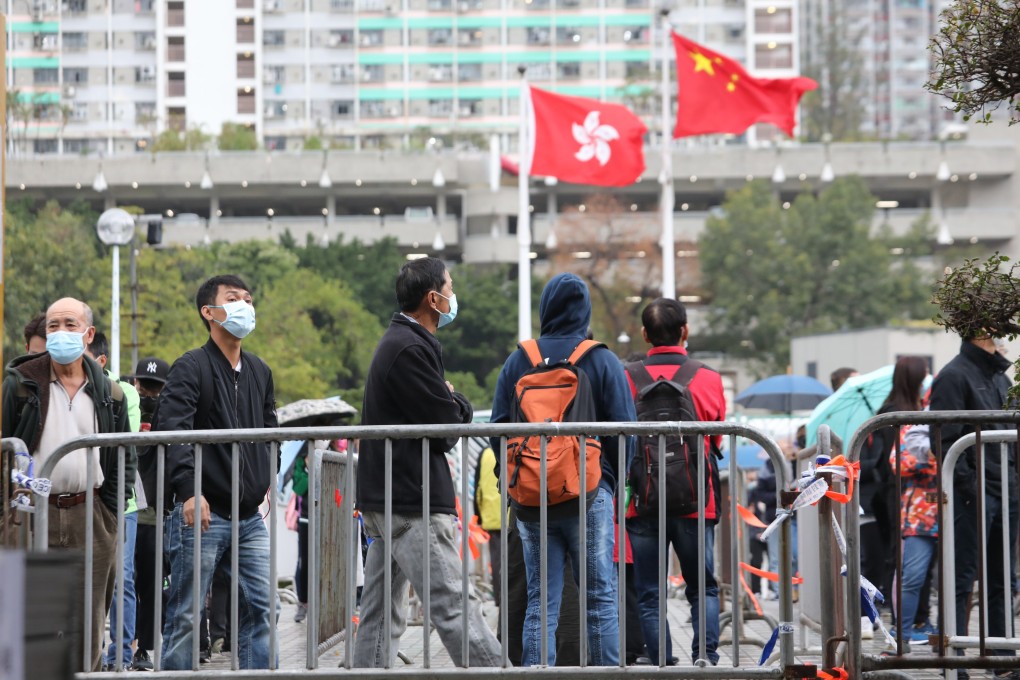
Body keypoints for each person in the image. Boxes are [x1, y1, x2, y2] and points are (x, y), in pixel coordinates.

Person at [353, 256, 501, 668]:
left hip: (389, 497)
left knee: (380, 615)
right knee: (453, 605)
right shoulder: (410, 348)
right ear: (433, 299)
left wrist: (447, 398)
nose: (454, 297)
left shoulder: (403, 342)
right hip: (410, 499)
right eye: (450, 289)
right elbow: (446, 429)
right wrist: (457, 401)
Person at [490, 272, 636, 667]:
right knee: (599, 596)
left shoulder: (519, 359)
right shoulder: (602, 359)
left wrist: (514, 480)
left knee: (540, 599)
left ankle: (538, 675)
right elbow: (627, 430)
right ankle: (607, 677)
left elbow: (498, 429)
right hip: (588, 493)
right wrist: (612, 481)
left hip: (532, 498)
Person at [2, 297, 135, 672]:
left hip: (89, 514)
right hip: (30, 514)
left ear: (88, 334)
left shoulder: (110, 393)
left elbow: (125, 456)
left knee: (88, 627)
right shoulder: (20, 384)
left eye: (69, 325)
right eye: (53, 325)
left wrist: (109, 513)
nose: (59, 332)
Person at [158, 275, 279, 670]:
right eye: (233, 299)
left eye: (248, 298)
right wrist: (190, 491)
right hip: (202, 513)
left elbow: (271, 430)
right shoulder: (191, 366)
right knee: (187, 615)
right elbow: (174, 430)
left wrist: (264, 478)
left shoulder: (260, 371)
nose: (245, 305)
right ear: (209, 312)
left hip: (248, 516)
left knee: (263, 609)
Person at [623, 297, 725, 666]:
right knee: (703, 588)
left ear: (645, 334)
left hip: (643, 500)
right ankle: (706, 656)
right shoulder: (709, 378)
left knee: (650, 591)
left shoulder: (626, 376)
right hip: (697, 499)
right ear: (685, 331)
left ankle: (663, 661)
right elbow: (715, 439)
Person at [929, 334, 1018, 680]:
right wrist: (968, 485)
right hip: (974, 493)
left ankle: (1001, 658)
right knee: (961, 577)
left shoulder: (999, 375)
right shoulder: (954, 375)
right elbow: (946, 438)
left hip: (1005, 491)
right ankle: (954, 658)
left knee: (1002, 579)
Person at [84, 332, 142, 672]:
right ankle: (87, 654)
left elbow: (124, 438)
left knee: (122, 577)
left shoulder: (124, 392)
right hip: (78, 498)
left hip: (121, 501)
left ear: (100, 359)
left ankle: (119, 656)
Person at [860, 356, 929, 634]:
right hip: (899, 493)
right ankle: (906, 621)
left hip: (906, 493)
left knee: (902, 556)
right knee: (900, 556)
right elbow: (889, 461)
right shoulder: (894, 413)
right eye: (922, 376)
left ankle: (907, 619)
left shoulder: (902, 410)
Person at [129, 356, 170, 671]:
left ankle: (145, 647)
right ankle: (124, 646)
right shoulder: (124, 410)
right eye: (145, 388)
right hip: (128, 511)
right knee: (126, 583)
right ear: (135, 383)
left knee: (153, 585)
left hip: (157, 513)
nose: (149, 396)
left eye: (156, 390)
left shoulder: (172, 417)